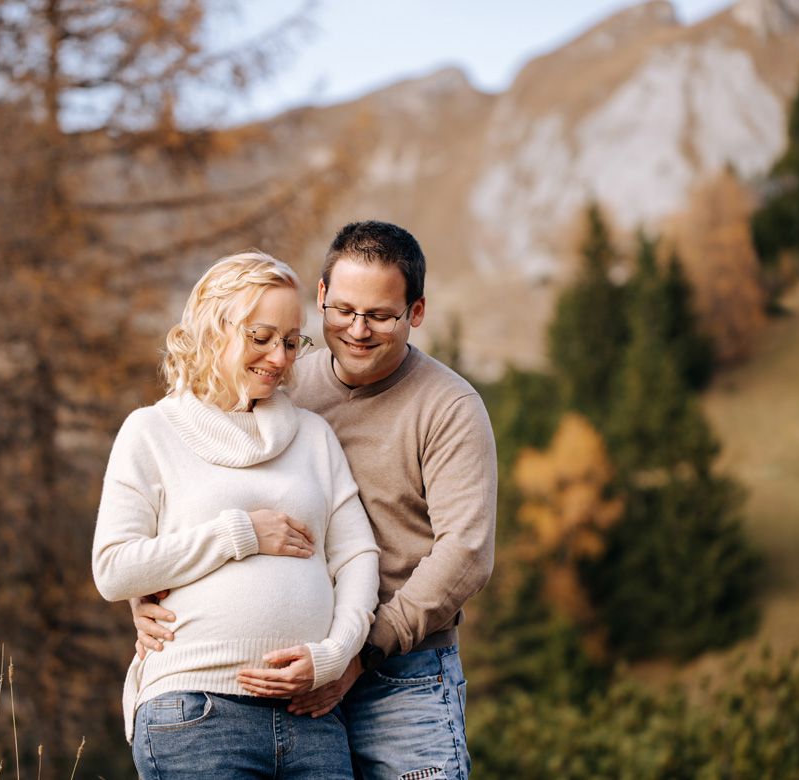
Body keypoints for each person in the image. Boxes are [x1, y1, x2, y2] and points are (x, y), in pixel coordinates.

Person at [133, 222, 498, 779]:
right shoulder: (280, 380)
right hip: (281, 682)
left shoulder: (448, 406)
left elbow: (466, 552)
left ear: (415, 313)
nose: (357, 330)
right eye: (343, 309)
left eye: (379, 316)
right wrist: (149, 592)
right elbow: (183, 477)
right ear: (321, 296)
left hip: (401, 670)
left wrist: (356, 654)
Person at [92, 251, 380, 779]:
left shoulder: (313, 436)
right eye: (261, 337)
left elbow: (357, 555)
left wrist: (335, 655)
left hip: (311, 720)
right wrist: (238, 533)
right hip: (197, 713)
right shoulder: (151, 432)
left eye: (292, 342)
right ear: (212, 329)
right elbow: (114, 568)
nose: (279, 357)